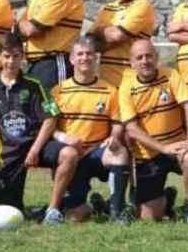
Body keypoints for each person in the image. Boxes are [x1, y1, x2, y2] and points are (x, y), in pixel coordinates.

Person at [0, 33, 68, 213]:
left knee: (68, 153)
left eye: (16, 56)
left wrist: (35, 149)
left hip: (32, 148)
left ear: (23, 56)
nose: (11, 61)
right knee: (8, 209)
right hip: (4, 155)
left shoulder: (34, 84)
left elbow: (52, 115)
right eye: (7, 56)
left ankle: (56, 208)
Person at [43, 36, 131, 225]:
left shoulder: (110, 91)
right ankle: (97, 207)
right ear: (72, 59)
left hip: (97, 152)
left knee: (119, 151)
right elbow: (49, 127)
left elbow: (117, 124)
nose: (85, 58)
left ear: (96, 57)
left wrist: (113, 138)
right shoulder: (56, 91)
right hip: (72, 156)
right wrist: (63, 137)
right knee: (74, 217)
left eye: (89, 54)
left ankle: (117, 211)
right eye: (80, 54)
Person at [119, 39, 188, 223]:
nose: (145, 61)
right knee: (149, 218)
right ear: (131, 63)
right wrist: (162, 148)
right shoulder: (126, 87)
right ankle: (167, 200)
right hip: (148, 154)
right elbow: (132, 129)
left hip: (177, 145)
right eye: (139, 58)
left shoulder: (171, 75)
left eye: (149, 56)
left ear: (156, 57)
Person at [17, 0, 85, 92]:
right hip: (37, 63)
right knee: (38, 112)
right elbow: (19, 31)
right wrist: (21, 25)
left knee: (54, 110)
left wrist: (21, 24)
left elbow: (31, 30)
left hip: (55, 62)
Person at [88, 0, 157, 87]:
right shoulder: (107, 9)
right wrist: (110, 36)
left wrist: (100, 30)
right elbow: (90, 41)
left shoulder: (142, 5)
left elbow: (118, 36)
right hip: (107, 83)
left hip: (132, 83)